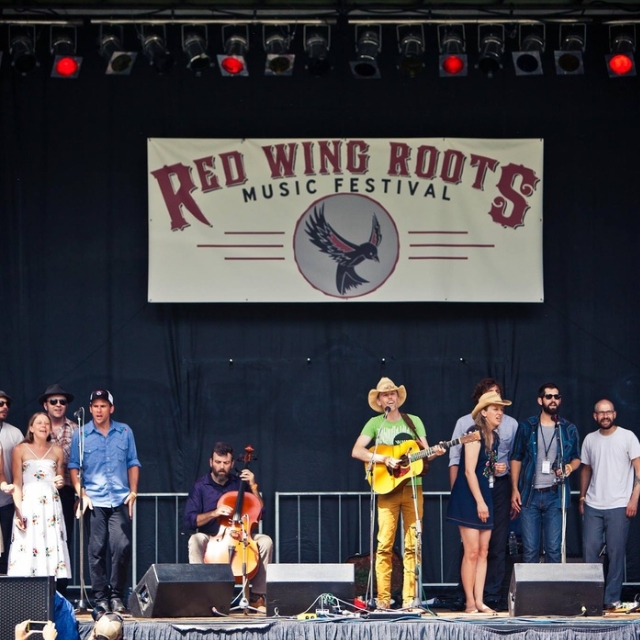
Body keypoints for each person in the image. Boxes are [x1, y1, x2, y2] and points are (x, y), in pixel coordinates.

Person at [351, 377, 445, 610]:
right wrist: (384, 458)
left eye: (392, 393)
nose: (390, 397)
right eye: (385, 395)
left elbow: (425, 452)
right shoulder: (375, 424)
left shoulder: (413, 422)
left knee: (413, 543)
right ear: (380, 400)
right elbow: (357, 451)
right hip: (387, 489)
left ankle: (410, 599)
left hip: (414, 486)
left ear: (398, 397)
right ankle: (383, 599)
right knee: (384, 544)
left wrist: (437, 451)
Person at [68, 390, 141, 614]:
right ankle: (100, 597)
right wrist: (82, 493)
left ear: (111, 408)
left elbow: (133, 462)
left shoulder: (125, 431)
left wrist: (133, 491)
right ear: (90, 409)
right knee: (96, 549)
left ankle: (117, 594)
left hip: (118, 498)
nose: (99, 410)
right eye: (95, 406)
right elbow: (73, 466)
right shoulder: (81, 434)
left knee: (121, 545)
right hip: (94, 500)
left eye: (103, 406)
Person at [449, 378, 518, 609]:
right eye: (496, 409)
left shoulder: (494, 438)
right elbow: (468, 471)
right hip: (470, 497)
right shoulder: (473, 433)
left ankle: (479, 600)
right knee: (471, 551)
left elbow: (482, 469)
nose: (500, 413)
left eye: (501, 409)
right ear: (484, 412)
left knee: (484, 550)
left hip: (485, 493)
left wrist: (497, 468)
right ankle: (469, 601)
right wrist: (480, 502)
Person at [183, 441, 273, 613]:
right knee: (195, 539)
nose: (221, 466)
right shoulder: (200, 487)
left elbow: (261, 513)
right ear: (211, 462)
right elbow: (189, 520)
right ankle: (202, 594)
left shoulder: (240, 483)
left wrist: (253, 486)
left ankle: (257, 596)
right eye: (218, 462)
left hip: (241, 536)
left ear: (232, 464)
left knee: (266, 541)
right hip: (211, 538)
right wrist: (214, 513)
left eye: (225, 463)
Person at [579, 399, 640, 610]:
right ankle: (591, 599)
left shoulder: (627, 437)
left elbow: (639, 471)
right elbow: (586, 469)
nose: (605, 416)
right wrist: (582, 497)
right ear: (595, 416)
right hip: (594, 505)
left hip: (619, 505)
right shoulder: (589, 439)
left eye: (608, 412)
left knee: (616, 553)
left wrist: (633, 499)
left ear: (614, 414)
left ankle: (611, 600)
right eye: (600, 413)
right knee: (590, 552)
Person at [511, 383, 581, 563]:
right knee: (530, 551)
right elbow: (516, 457)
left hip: (555, 495)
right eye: (549, 396)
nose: (553, 400)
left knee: (553, 550)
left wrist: (569, 468)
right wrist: (514, 489)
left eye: (556, 396)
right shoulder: (527, 426)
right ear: (540, 400)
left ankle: (552, 592)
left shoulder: (568, 428)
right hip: (530, 494)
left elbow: (576, 457)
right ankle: (530, 592)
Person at [8, 412, 70, 581]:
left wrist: (59, 481)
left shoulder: (57, 450)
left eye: (46, 423)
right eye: (39, 423)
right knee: (28, 543)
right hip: (29, 501)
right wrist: (18, 511)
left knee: (50, 542)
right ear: (31, 427)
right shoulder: (20, 449)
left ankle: (50, 590)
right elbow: (17, 483)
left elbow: (60, 479)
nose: (43, 426)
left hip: (50, 502)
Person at [40, 383, 78, 596]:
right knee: (41, 538)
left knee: (62, 538)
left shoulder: (75, 429)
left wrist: (79, 495)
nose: (58, 405)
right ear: (46, 405)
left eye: (62, 401)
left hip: (65, 490)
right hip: (39, 492)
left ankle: (61, 592)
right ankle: (42, 591)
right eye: (53, 401)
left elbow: (82, 464)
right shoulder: (38, 428)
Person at [0, 390, 23, 573]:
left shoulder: (14, 433)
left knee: (7, 546)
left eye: (6, 404)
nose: (5, 407)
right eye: (0, 404)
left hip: (7, 500)